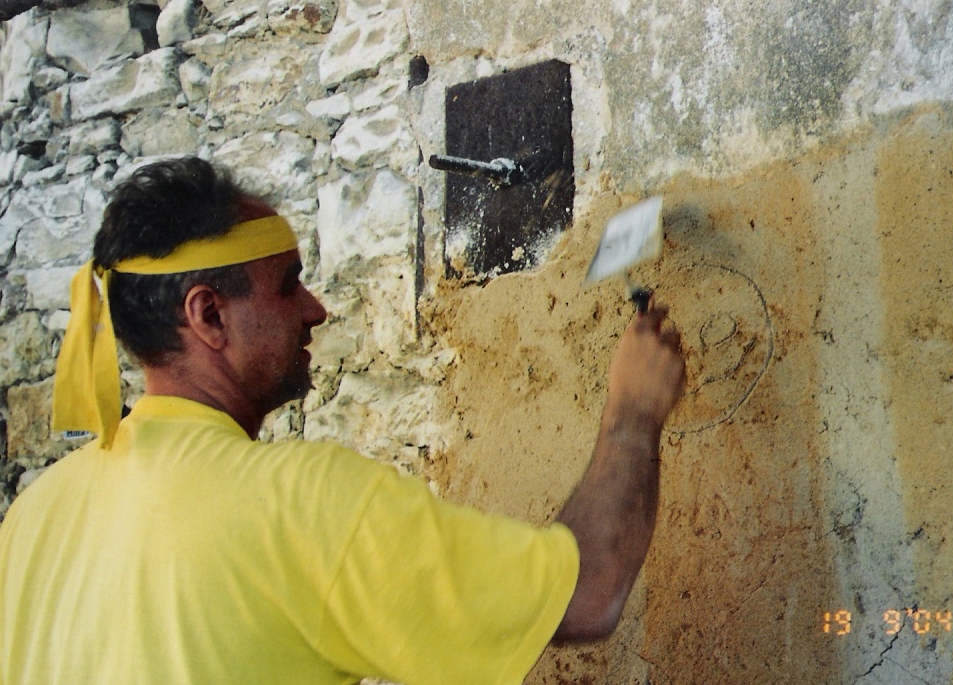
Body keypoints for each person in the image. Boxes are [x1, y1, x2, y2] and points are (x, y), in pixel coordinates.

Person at [0, 157, 685, 684]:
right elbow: (588, 592)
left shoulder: (32, 519)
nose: (316, 309)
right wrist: (633, 412)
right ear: (208, 314)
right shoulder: (298, 502)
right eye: (287, 284)